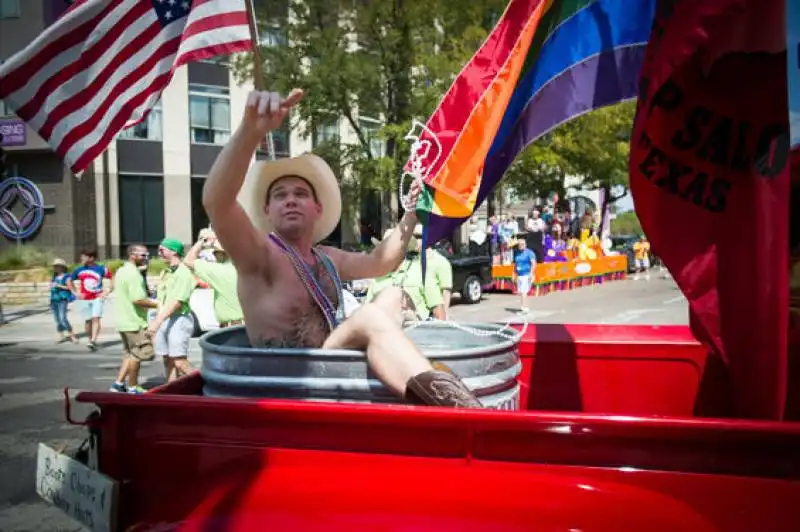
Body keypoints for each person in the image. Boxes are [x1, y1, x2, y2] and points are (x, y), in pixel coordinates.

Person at [202, 89, 481, 408]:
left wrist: (411, 214)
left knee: (390, 296)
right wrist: (251, 133)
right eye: (279, 195)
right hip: (288, 382)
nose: (290, 199)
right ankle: (460, 410)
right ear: (267, 212)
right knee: (367, 319)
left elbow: (380, 263)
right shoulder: (259, 254)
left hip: (331, 365)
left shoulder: (327, 257)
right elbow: (218, 203)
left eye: (300, 193)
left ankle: (411, 378)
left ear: (318, 209)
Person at [110, 244, 157, 394]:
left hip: (124, 321)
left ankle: (118, 384)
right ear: (132, 255)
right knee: (142, 353)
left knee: (130, 355)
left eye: (147, 255)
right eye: (142, 255)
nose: (146, 258)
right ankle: (132, 386)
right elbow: (138, 299)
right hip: (134, 322)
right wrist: (158, 305)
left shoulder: (122, 271)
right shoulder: (133, 274)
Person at [148, 238, 196, 382]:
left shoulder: (183, 273)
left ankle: (204, 385)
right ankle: (171, 392)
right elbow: (161, 300)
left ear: (174, 251)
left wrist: (157, 322)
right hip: (164, 318)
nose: (159, 253)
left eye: (162, 250)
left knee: (179, 361)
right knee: (168, 360)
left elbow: (177, 302)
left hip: (178, 319)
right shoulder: (166, 272)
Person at [184, 231, 244, 328]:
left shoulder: (219, 270)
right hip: (249, 326)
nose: (214, 255)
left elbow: (188, 260)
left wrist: (202, 241)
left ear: (223, 254)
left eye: (215, 252)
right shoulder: (245, 268)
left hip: (231, 327)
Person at [71, 248, 112, 350]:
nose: (82, 259)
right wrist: (76, 292)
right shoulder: (78, 270)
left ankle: (93, 340)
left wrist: (107, 291)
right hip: (84, 299)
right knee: (88, 320)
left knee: (96, 318)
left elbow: (112, 278)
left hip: (97, 298)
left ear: (91, 258)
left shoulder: (101, 269)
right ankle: (90, 340)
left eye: (84, 257)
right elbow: (69, 280)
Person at [50, 258, 77, 343]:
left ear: (62, 267)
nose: (56, 268)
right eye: (55, 266)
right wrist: (51, 286)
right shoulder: (54, 277)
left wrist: (59, 286)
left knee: (63, 319)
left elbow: (70, 288)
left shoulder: (67, 277)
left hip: (62, 300)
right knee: (57, 319)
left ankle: (72, 335)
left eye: (57, 266)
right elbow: (52, 286)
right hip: (54, 299)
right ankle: (61, 336)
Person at [513, 239, 536, 313]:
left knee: (523, 291)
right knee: (522, 292)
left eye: (522, 244)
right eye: (519, 244)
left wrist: (531, 273)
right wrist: (514, 274)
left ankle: (523, 308)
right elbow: (516, 265)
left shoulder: (529, 253)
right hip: (519, 275)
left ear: (525, 244)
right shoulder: (517, 253)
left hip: (526, 275)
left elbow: (534, 263)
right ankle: (525, 307)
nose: (521, 245)